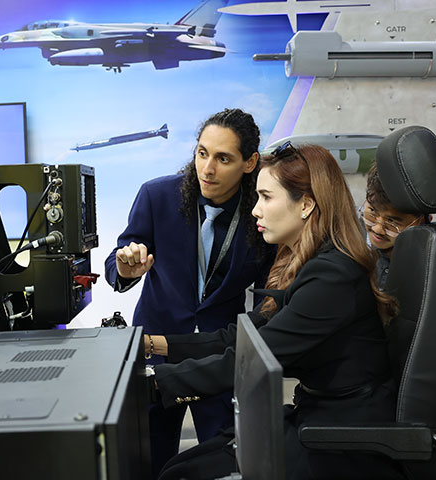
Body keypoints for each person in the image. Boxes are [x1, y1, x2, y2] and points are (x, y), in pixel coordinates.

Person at [150, 143, 404, 480]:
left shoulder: (333, 277)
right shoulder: (310, 263)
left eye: (266, 197)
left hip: (344, 438)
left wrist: (154, 383)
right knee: (178, 467)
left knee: (182, 474)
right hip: (319, 419)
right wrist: (154, 345)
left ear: (306, 205)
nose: (255, 211)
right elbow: (245, 337)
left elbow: (253, 360)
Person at [104, 109, 275, 476]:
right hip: (155, 349)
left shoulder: (262, 213)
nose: (207, 169)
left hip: (219, 356)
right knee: (148, 461)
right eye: (202, 153)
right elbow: (117, 262)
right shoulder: (157, 195)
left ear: (250, 163)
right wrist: (124, 269)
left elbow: (267, 296)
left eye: (223, 158)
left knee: (225, 460)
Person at [360, 164, 427, 290]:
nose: (377, 229)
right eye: (372, 212)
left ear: (420, 221)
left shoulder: (430, 262)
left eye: (392, 222)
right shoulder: (345, 236)